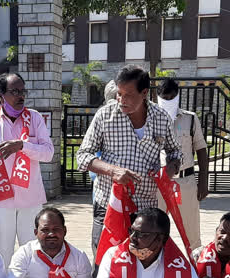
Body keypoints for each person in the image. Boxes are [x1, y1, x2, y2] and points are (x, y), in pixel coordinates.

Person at [77, 65, 182, 261]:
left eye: (128, 95)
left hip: (145, 209)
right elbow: (83, 155)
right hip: (109, 204)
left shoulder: (161, 118)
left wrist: (171, 167)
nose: (121, 100)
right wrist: (113, 171)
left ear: (144, 93)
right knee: (105, 264)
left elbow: (176, 152)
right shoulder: (105, 116)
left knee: (143, 264)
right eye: (119, 94)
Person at [0, 72, 54, 267]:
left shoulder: (34, 118)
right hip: (1, 199)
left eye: (23, 91)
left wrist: (22, 146)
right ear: (1, 95)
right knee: (4, 252)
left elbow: (48, 153)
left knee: (32, 251)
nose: (21, 96)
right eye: (15, 91)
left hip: (31, 197)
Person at [1, 207, 93, 278]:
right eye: (45, 230)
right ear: (36, 232)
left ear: (65, 231)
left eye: (56, 229)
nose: (51, 234)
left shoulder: (79, 256)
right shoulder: (25, 252)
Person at [156, 78, 209, 250]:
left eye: (172, 96)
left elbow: (201, 150)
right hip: (159, 182)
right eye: (165, 97)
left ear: (177, 96)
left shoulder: (190, 119)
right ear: (158, 96)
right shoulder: (151, 120)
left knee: (191, 234)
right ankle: (155, 273)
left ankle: (197, 272)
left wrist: (203, 181)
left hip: (186, 182)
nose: (168, 100)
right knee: (155, 230)